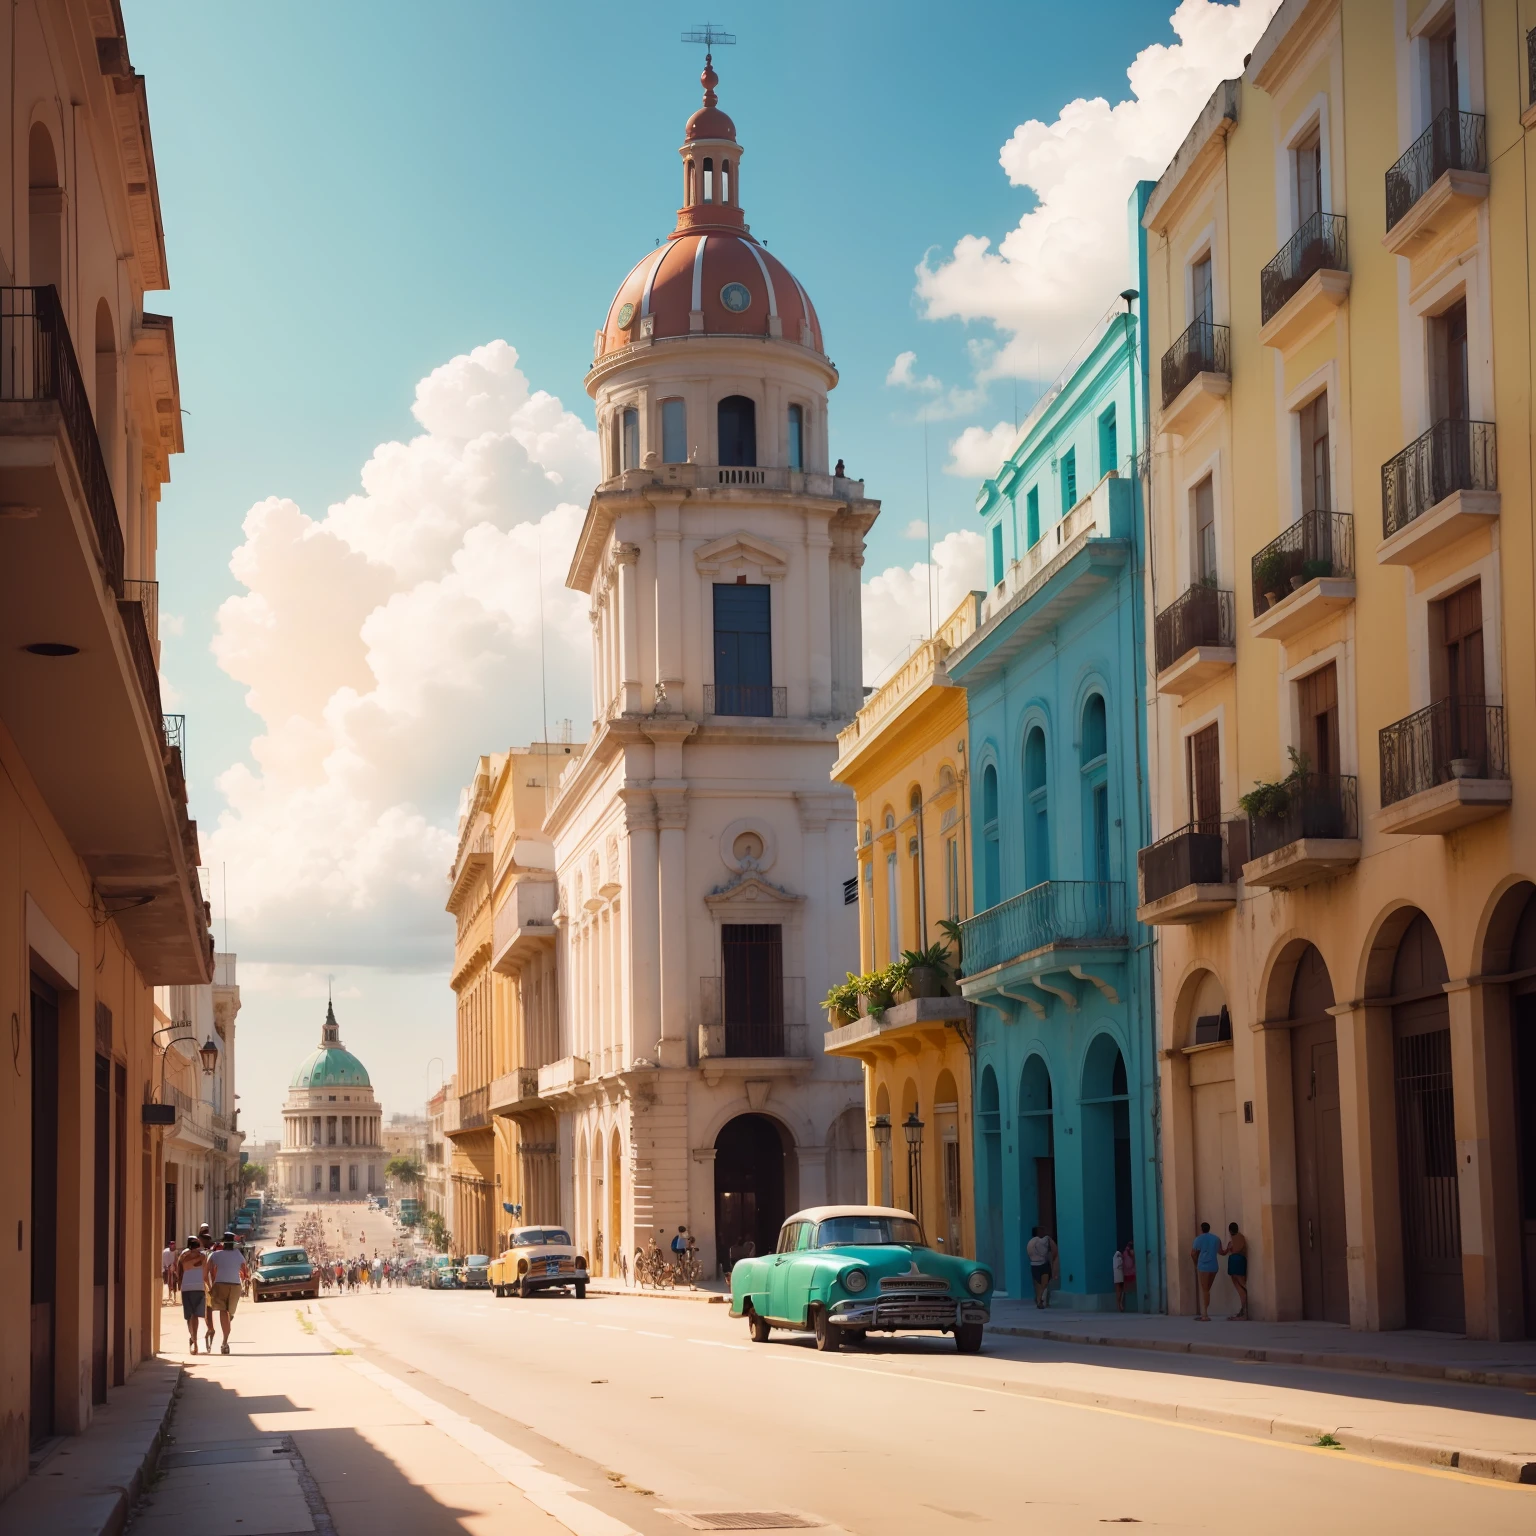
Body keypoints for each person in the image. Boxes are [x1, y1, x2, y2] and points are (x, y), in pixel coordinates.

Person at [206, 1232, 248, 1355]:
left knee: (224, 1312)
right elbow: (244, 1271)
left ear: (223, 1243)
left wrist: (209, 1287)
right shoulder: (238, 1255)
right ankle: (225, 1342)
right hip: (235, 1286)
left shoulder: (215, 1255)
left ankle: (224, 1342)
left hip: (220, 1285)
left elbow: (206, 1272)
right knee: (229, 1313)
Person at [177, 1234, 208, 1353]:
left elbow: (179, 1272)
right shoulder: (203, 1256)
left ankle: (193, 1339)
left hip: (186, 1288)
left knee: (189, 1316)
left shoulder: (183, 1256)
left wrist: (179, 1285)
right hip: (199, 1287)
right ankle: (194, 1342)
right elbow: (206, 1272)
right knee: (195, 1316)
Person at [1191, 1222, 1221, 1320]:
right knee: (1207, 1289)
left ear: (1201, 1229)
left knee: (1205, 1290)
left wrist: (1196, 1263)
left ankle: (1205, 1315)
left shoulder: (1198, 1239)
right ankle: (1205, 1312)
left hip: (1203, 1266)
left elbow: (1193, 1253)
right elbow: (1222, 1252)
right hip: (1214, 1266)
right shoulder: (1216, 1239)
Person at [1222, 1222, 1249, 1320]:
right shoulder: (1241, 1237)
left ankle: (1244, 1311)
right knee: (1242, 1284)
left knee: (1239, 1286)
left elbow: (1229, 1251)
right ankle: (1243, 1310)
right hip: (1241, 1260)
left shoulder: (1232, 1241)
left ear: (1230, 1231)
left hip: (1234, 1260)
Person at [1026, 1226, 1053, 1309]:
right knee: (1044, 1284)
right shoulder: (1040, 1241)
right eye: (1041, 1231)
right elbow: (1044, 1251)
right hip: (1042, 1264)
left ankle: (1039, 1300)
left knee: (1038, 1285)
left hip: (1034, 1265)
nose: (1043, 1232)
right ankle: (1041, 1300)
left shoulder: (1030, 1243)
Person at [1112, 1246, 1126, 1312]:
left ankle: (1119, 1304)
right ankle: (1119, 1304)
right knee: (1119, 1290)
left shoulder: (1116, 1257)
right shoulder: (1118, 1256)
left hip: (1119, 1274)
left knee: (1120, 1290)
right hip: (1118, 1274)